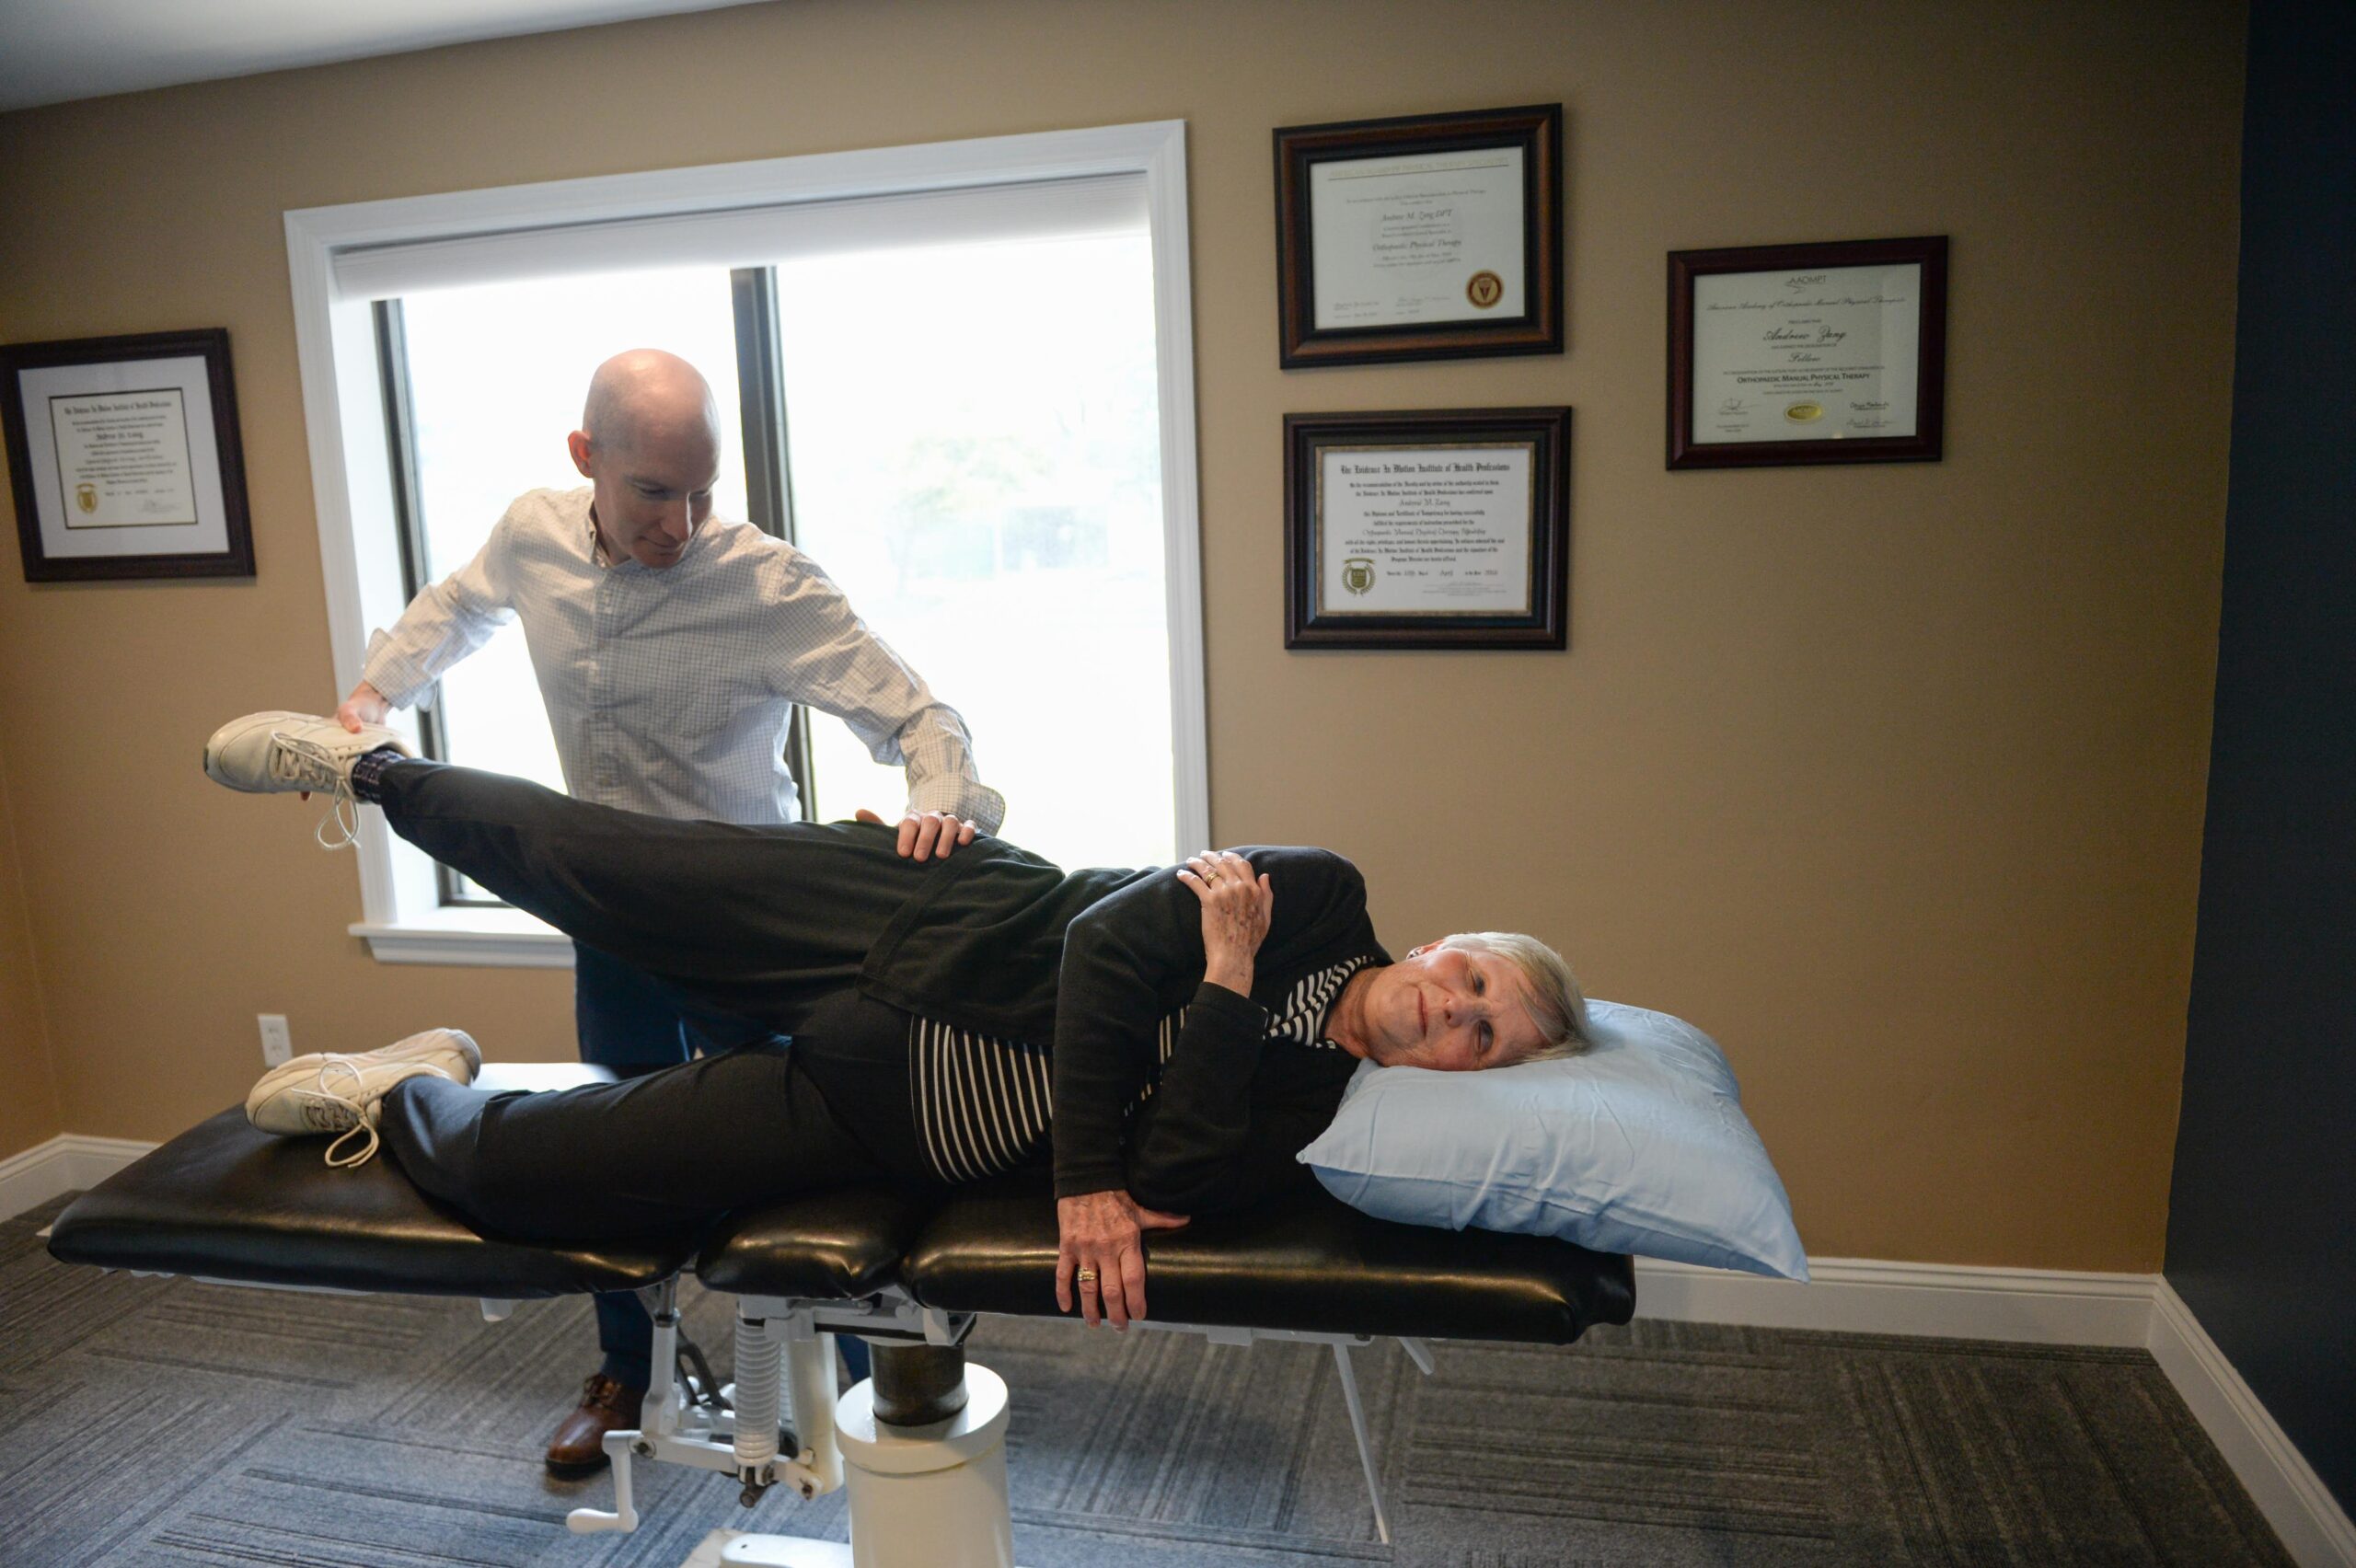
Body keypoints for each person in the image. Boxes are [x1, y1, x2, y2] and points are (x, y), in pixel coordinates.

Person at [208, 717, 1592, 1333]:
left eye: (1484, 1039)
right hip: (905, 921)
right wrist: (1093, 1173)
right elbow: (1106, 950)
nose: (1454, 1013)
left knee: (528, 1176)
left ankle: (403, 1087)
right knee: (602, 866)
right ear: (1446, 944)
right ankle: (370, 770)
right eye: (1475, 981)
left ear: (1467, 1077)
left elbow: (1176, 1175)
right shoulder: (1322, 893)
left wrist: (1225, 985)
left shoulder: (1324, 1119)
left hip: (877, 1113)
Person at [322, 349, 1004, 1471]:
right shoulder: (532, 535)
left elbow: (918, 715)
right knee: (610, 1151)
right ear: (585, 458)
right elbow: (458, 608)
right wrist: (375, 692)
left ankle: (859, 1381)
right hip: (611, 917)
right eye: (650, 492)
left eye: (700, 493)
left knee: (802, 1156)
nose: (678, 524)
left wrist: (941, 801)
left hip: (749, 925)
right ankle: (623, 1377)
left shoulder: (766, 583)